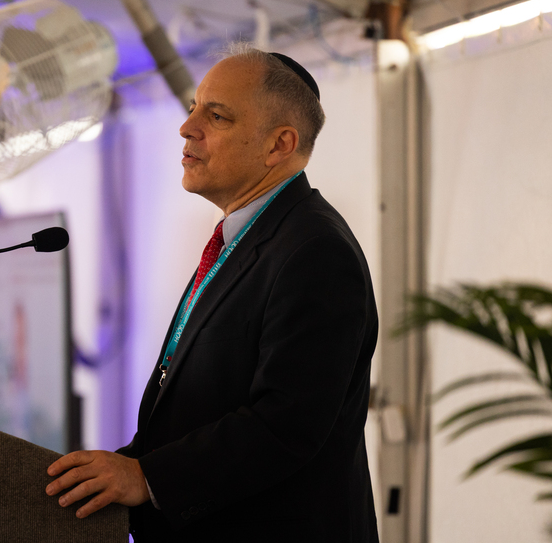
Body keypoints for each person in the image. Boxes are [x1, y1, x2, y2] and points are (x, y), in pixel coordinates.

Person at [45, 43, 379, 542]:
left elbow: (285, 425)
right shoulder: (243, 238)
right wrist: (126, 466)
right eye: (193, 107)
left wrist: (148, 477)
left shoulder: (315, 251)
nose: (187, 127)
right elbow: (200, 400)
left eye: (216, 115)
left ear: (278, 145)